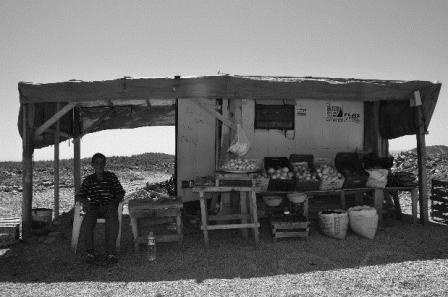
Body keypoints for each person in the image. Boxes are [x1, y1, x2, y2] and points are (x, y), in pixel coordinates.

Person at [76, 153, 125, 264]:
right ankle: (90, 253)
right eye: (97, 163)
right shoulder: (89, 179)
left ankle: (110, 253)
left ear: (105, 164)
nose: (100, 165)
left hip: (109, 206)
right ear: (92, 164)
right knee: (87, 223)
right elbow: (79, 195)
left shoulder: (111, 177)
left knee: (113, 222)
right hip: (94, 207)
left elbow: (121, 193)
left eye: (102, 162)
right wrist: (86, 202)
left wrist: (114, 203)